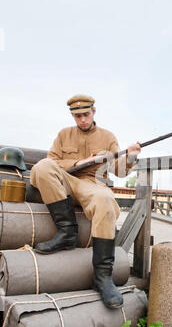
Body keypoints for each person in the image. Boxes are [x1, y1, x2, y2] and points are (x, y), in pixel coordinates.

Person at [30, 94, 141, 309]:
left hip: (93, 184)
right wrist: (82, 161)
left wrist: (131, 156)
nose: (82, 119)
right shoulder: (63, 135)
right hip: (66, 181)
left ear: (94, 112)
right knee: (42, 167)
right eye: (77, 116)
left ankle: (102, 277)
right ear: (72, 116)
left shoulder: (108, 136)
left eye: (85, 114)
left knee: (105, 199)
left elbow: (118, 171)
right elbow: (52, 161)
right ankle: (67, 232)